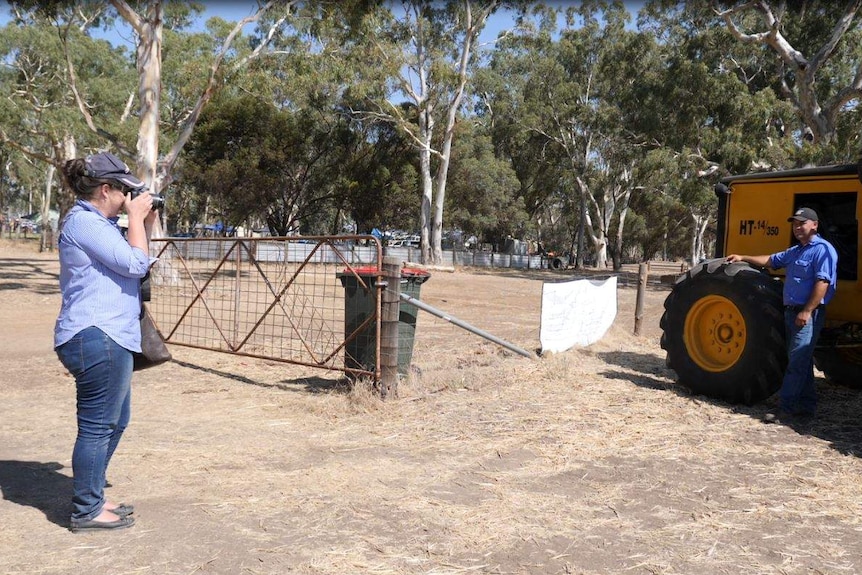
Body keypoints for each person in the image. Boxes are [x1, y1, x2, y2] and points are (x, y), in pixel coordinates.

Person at [55, 152, 158, 531]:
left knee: (116, 421)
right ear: (105, 189)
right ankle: (86, 510)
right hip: (96, 335)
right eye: (124, 191)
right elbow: (134, 265)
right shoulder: (85, 223)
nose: (129, 198)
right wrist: (133, 220)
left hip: (109, 335)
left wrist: (145, 222)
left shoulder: (102, 224)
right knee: (98, 426)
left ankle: (92, 494)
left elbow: (143, 258)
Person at [726, 207, 838, 424]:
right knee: (801, 362)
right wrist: (743, 256)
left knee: (796, 363)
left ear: (814, 225)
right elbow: (771, 260)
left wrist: (807, 311)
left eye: (802, 223)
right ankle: (806, 407)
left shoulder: (824, 250)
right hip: (791, 313)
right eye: (795, 224)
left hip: (807, 315)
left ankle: (785, 410)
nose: (797, 227)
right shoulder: (797, 250)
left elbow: (822, 283)